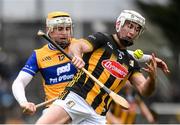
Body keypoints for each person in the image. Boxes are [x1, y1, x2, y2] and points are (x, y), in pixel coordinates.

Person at [36, 10, 169, 124]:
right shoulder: (102, 39)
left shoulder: (131, 62)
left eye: (137, 29)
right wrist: (77, 56)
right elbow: (78, 46)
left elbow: (145, 90)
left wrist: (152, 78)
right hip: (76, 98)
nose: (132, 31)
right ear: (119, 24)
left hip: (98, 114)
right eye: (129, 26)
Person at [12, 11, 78, 115]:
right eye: (60, 29)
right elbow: (19, 82)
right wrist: (23, 102)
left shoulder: (81, 46)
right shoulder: (39, 55)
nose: (65, 32)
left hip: (81, 106)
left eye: (68, 28)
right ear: (49, 31)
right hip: (55, 108)